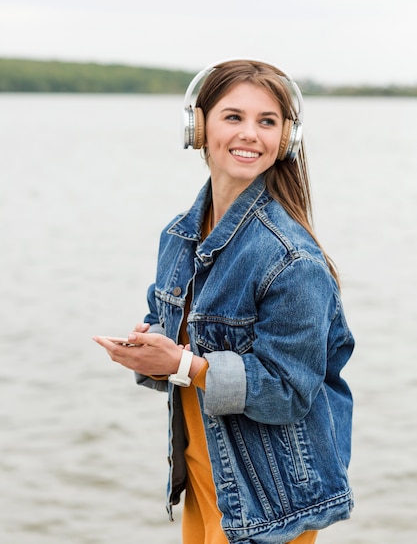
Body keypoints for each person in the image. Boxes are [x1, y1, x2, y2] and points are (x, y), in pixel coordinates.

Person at [93, 59, 354, 544]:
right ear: (198, 128)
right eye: (233, 117)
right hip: (204, 482)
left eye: (267, 121)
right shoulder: (179, 236)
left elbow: (288, 392)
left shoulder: (292, 260)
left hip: (269, 503)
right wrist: (150, 354)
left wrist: (185, 363)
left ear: (286, 138)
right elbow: (175, 344)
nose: (250, 133)